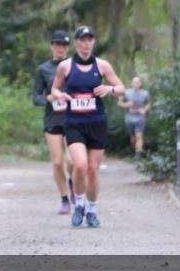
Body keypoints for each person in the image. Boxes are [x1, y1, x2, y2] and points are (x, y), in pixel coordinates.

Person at [51, 26, 125, 228]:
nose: (86, 43)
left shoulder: (102, 66)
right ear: (76, 43)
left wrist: (109, 89)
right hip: (74, 124)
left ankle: (92, 210)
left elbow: (121, 88)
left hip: (97, 123)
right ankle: (79, 205)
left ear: (93, 42)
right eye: (82, 40)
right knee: (80, 165)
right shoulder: (65, 67)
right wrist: (60, 95)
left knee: (93, 170)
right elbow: (55, 89)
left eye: (89, 39)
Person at [32, 30, 73, 214]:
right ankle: (64, 198)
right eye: (57, 45)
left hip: (74, 120)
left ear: (68, 48)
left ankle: (72, 182)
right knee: (57, 162)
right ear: (52, 47)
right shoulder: (44, 69)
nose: (60, 48)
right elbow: (35, 97)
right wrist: (48, 99)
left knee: (72, 161)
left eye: (64, 45)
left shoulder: (75, 67)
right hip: (53, 120)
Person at [118, 76, 151, 157]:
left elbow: (149, 104)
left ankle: (138, 155)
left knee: (139, 136)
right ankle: (134, 150)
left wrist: (144, 109)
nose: (135, 84)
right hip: (129, 118)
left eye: (137, 82)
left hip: (140, 118)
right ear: (131, 83)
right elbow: (119, 103)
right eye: (134, 82)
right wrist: (127, 104)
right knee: (133, 138)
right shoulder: (126, 92)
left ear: (140, 84)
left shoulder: (145, 93)